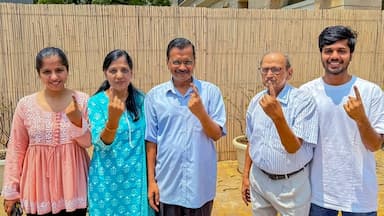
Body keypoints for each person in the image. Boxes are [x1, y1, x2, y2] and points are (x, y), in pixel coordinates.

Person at [301, 25, 384, 216]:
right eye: (328, 50)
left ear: (351, 54)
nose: (335, 56)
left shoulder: (371, 92)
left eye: (342, 51)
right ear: (321, 53)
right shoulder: (306, 93)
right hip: (318, 195)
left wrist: (361, 118)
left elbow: (375, 145)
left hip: (360, 196)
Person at [1, 47, 91, 216]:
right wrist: (11, 191)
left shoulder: (82, 100)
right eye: (47, 72)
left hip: (73, 186)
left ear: (67, 71)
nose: (54, 77)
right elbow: (16, 149)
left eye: (59, 70)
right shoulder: (25, 105)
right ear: (39, 74)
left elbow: (87, 142)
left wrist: (77, 120)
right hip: (37, 188)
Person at [145, 37, 227, 216]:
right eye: (177, 62)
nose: (182, 67)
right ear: (167, 63)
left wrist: (200, 113)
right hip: (167, 186)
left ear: (194, 62)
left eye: (187, 62)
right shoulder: (154, 97)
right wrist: (151, 181)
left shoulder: (211, 92)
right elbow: (151, 142)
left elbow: (216, 135)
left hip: (200, 186)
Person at [241, 52, 319, 216]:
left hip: (291, 187)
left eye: (276, 70)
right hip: (259, 180)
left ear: (289, 73)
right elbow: (252, 141)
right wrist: (246, 176)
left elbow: (293, 147)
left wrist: (277, 116)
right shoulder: (256, 101)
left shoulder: (303, 101)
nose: (269, 75)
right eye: (265, 70)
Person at [87, 49, 154, 216]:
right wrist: (113, 121)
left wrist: (152, 179)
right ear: (105, 73)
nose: (119, 75)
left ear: (131, 72)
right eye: (113, 70)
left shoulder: (141, 100)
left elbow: (150, 139)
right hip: (106, 180)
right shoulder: (96, 103)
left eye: (124, 70)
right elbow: (101, 144)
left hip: (136, 179)